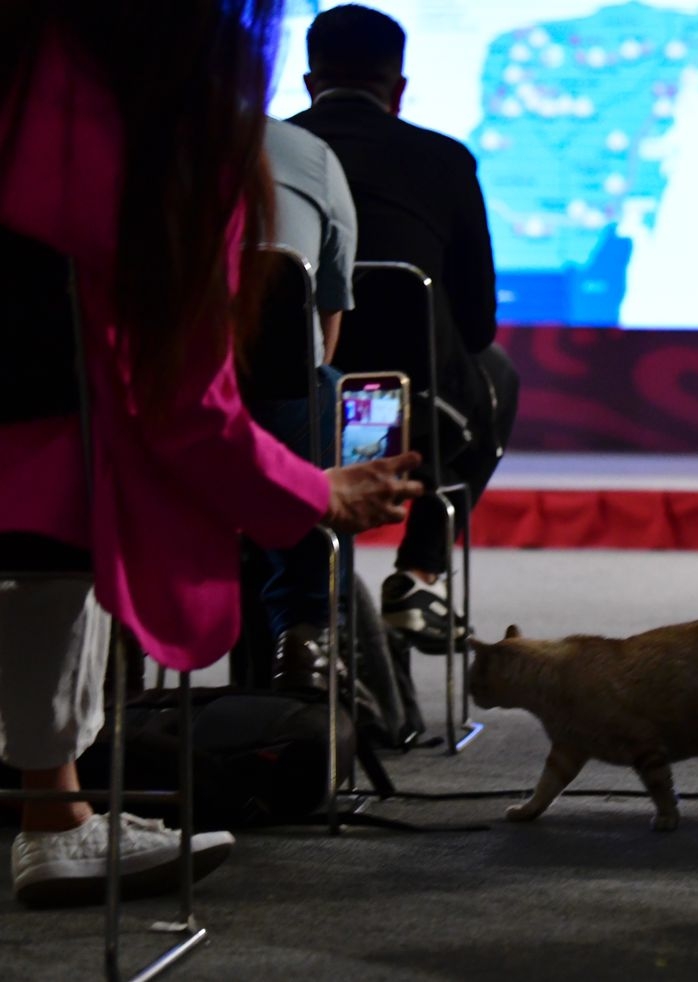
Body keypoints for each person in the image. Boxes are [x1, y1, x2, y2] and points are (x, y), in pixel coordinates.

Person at [0, 3, 423, 907]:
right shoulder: (160, 155)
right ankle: (55, 820)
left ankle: (59, 812)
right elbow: (186, 410)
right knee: (70, 517)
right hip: (35, 499)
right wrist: (312, 490)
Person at [290, 4, 521, 652]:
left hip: (282, 414)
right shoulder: (444, 160)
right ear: (399, 89)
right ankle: (418, 573)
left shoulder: (267, 156)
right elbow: (476, 327)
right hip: (411, 417)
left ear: (309, 82)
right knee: (498, 373)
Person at [250, 115, 361, 690]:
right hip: (274, 409)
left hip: (137, 415)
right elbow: (328, 309)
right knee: (320, 385)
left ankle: (119, 652)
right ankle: (307, 631)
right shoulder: (307, 155)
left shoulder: (101, 147)